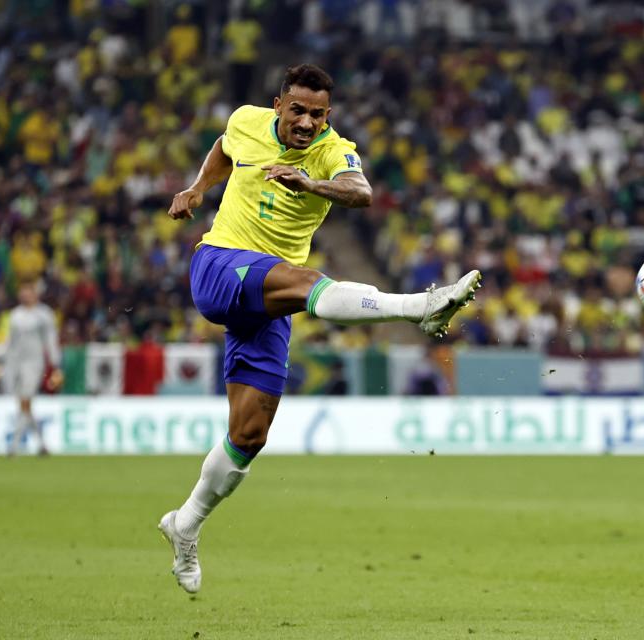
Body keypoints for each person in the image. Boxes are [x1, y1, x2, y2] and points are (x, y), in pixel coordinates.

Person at [158, 63, 481, 593]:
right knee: (308, 280)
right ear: (279, 104)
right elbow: (223, 145)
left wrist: (311, 182)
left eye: (318, 114)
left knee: (249, 434)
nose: (308, 123)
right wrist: (197, 189)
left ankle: (186, 523)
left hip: (267, 302)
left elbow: (360, 191)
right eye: (299, 111)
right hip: (219, 265)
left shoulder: (333, 149)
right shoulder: (247, 120)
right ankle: (418, 308)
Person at [4, 281, 62, 456]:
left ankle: (13, 446)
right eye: (22, 291)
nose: (24, 295)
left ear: (34, 293)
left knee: (25, 400)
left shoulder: (44, 314)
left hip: (34, 363)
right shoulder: (15, 315)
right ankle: (42, 444)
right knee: (23, 405)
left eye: (27, 291)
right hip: (16, 363)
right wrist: (5, 364)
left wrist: (56, 364)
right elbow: (10, 342)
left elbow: (51, 340)